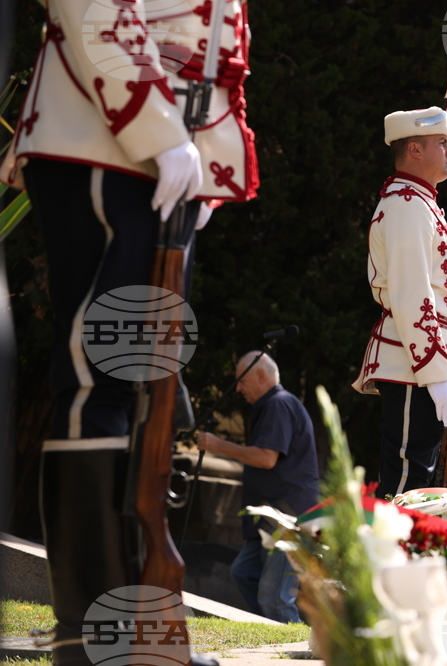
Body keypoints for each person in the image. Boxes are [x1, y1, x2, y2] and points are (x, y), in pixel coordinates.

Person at [1, 2, 257, 663]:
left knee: (138, 385)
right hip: (107, 139)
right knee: (101, 379)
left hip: (157, 155)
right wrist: (160, 131)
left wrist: (204, 158)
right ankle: (88, 635)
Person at [352, 106, 447, 498]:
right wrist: (435, 376)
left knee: (422, 485)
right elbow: (412, 296)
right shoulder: (406, 204)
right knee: (407, 485)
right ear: (415, 150)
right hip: (413, 369)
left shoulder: (418, 202)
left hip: (421, 367)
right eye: (443, 143)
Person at [197, 352, 320, 622]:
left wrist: (217, 445)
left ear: (260, 376)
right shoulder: (274, 405)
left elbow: (266, 458)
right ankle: (273, 627)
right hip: (272, 515)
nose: (238, 388)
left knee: (274, 596)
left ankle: (288, 644)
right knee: (243, 572)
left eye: (241, 381)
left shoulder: (278, 403)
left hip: (285, 514)